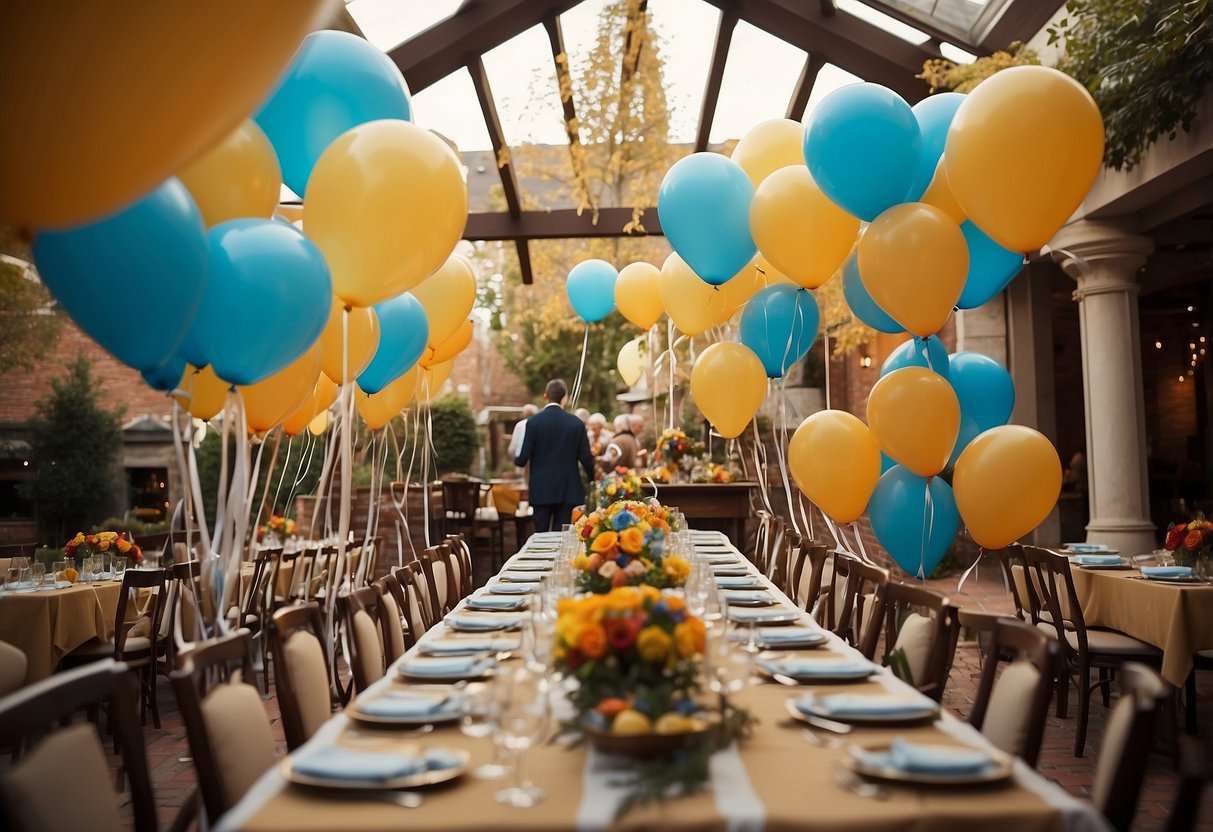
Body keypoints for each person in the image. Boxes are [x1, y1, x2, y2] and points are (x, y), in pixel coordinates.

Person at [514, 379, 595, 532]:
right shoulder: (576, 423)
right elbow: (586, 458)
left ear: (546, 396)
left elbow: (522, 459)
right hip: (568, 488)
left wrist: (517, 458)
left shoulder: (533, 423)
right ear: (565, 397)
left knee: (541, 534)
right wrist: (592, 479)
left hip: (541, 488)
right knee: (563, 534)